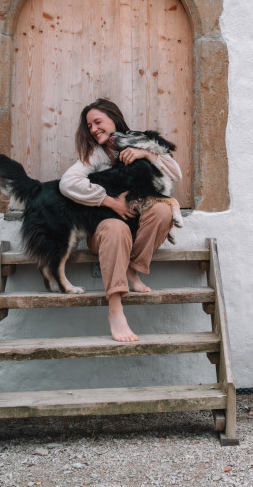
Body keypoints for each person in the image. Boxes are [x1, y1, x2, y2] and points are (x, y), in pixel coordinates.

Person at [59, 98, 181, 342]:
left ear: (114, 119)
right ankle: (115, 309)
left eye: (98, 122)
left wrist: (146, 154)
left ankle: (133, 269)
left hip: (138, 230)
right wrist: (109, 201)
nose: (94, 129)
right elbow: (67, 183)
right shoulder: (95, 155)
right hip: (105, 231)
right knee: (116, 228)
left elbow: (175, 174)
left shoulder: (137, 141)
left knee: (163, 211)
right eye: (89, 126)